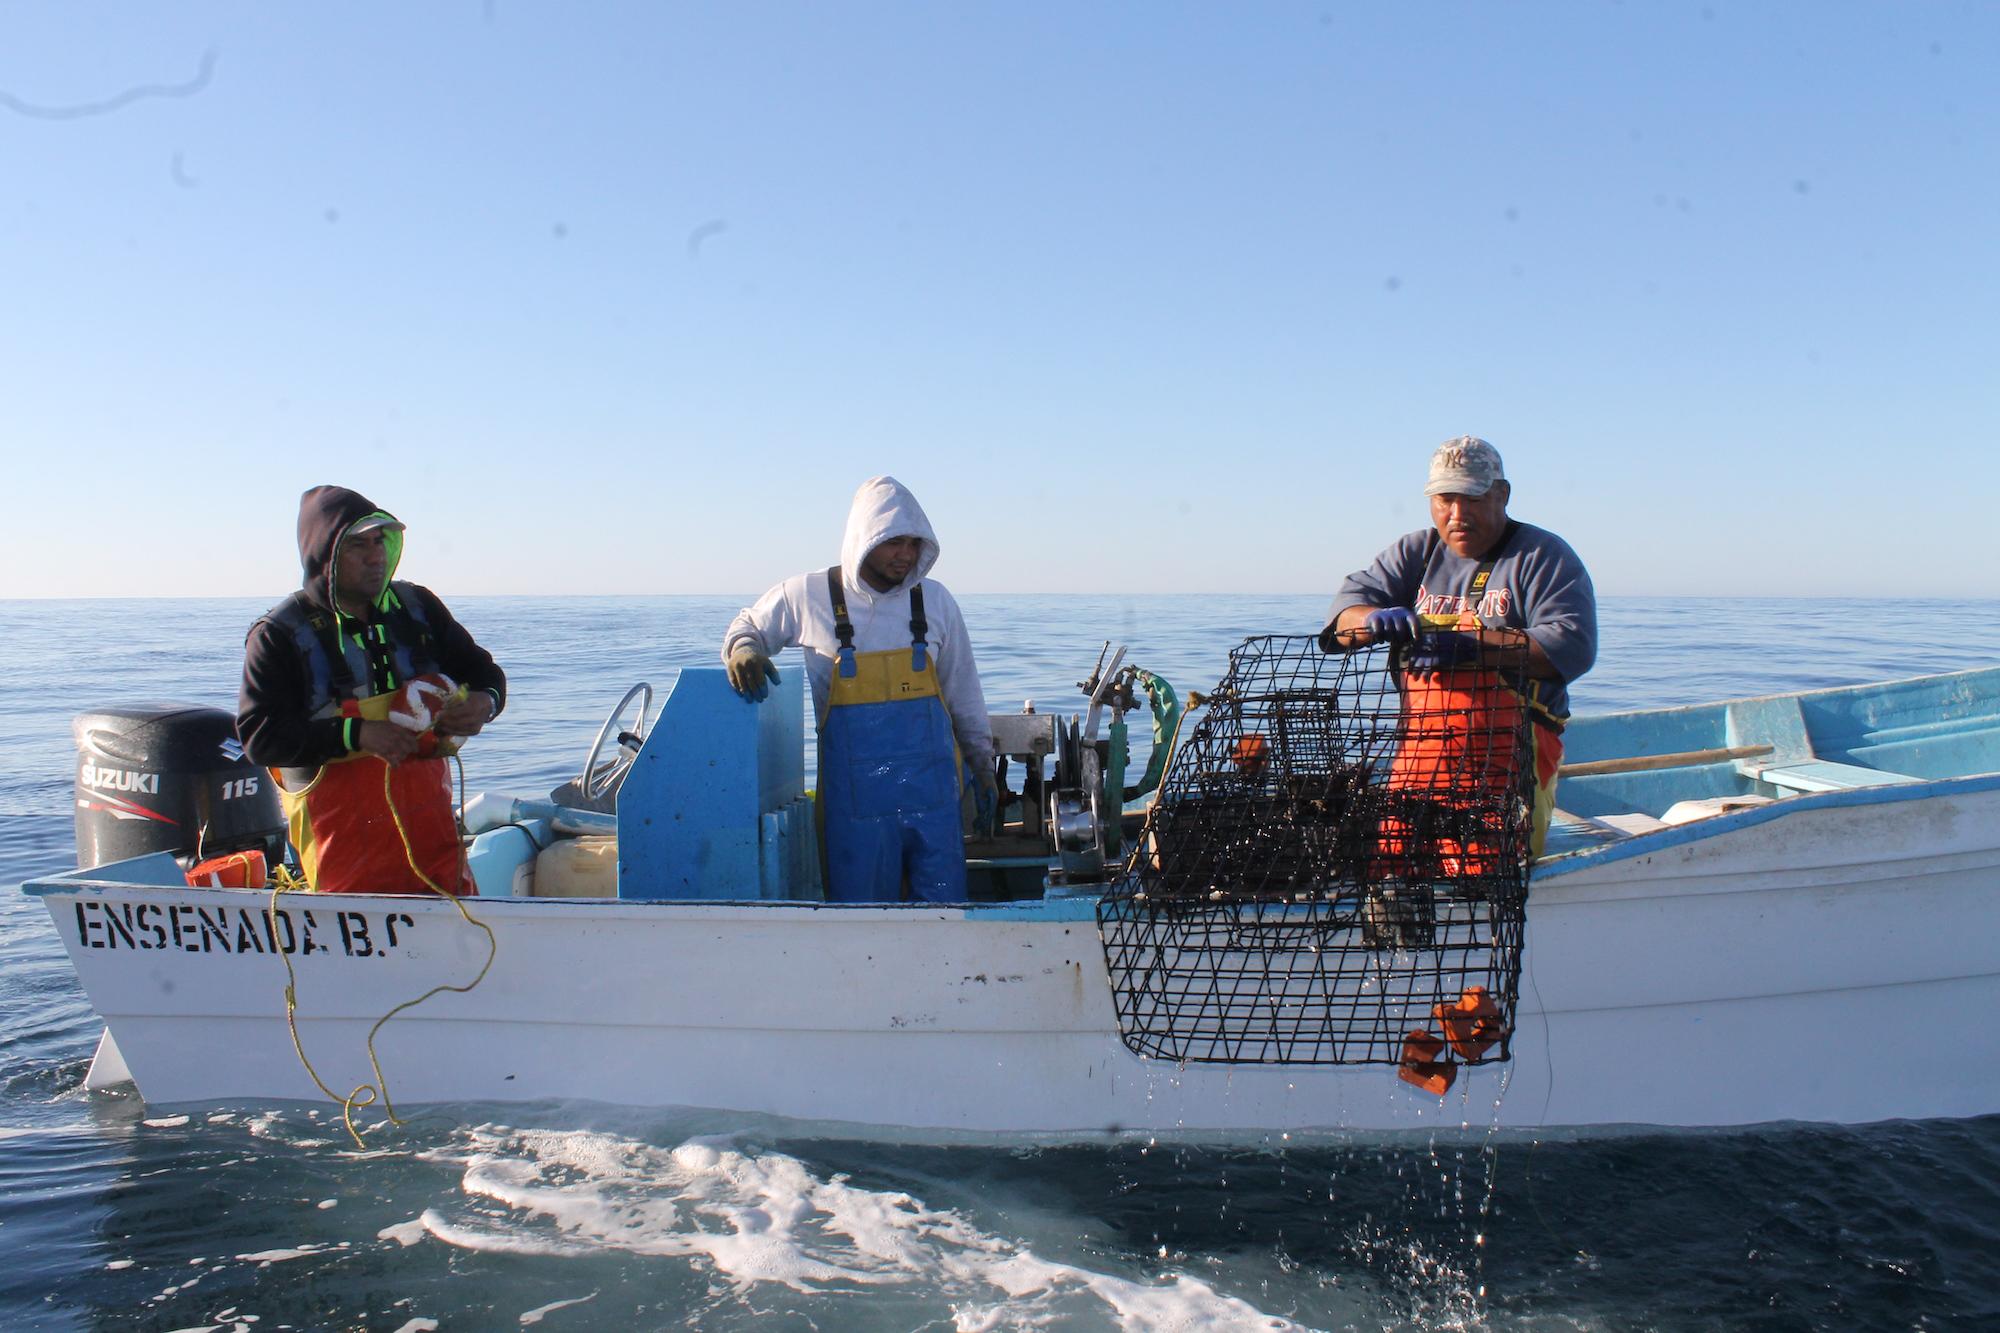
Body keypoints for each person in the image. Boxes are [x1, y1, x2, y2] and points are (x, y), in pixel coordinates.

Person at [722, 476, 996, 903]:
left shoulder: (936, 601)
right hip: (854, 808)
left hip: (935, 803)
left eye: (912, 543)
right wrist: (743, 650)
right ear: (864, 539)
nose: (904, 555)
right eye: (892, 542)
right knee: (859, 920)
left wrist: (983, 767)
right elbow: (749, 625)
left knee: (946, 916)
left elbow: (963, 692)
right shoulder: (807, 595)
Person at [1321, 436, 1596, 857]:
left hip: (1509, 760)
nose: (1457, 514)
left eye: (1472, 497)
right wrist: (1369, 620)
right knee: (1392, 862)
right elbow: (1342, 623)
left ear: (1501, 494)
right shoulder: (1417, 551)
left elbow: (1573, 646)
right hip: (1420, 755)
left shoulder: (1542, 557)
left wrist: (1474, 646)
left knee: (1485, 867)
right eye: (1445, 500)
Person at [238, 485, 506, 895]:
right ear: (323, 555)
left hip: (433, 839)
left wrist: (484, 703)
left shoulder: (418, 609)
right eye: (357, 545)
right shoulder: (278, 636)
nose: (375, 555)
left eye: (380, 541)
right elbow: (260, 736)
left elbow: (485, 673)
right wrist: (358, 734)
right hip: (344, 855)